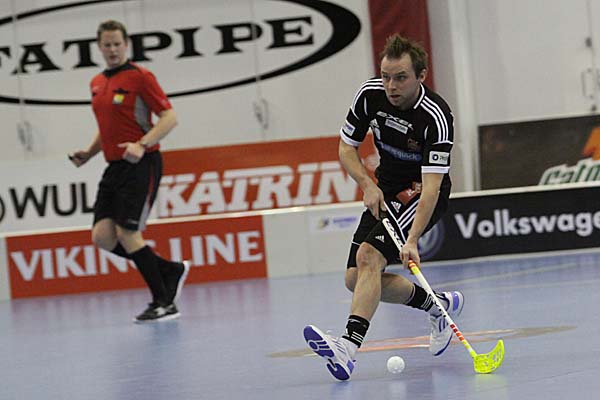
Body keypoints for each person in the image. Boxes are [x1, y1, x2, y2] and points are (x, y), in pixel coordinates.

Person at [303, 34, 463, 380]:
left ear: (421, 76)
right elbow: (346, 148)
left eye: (401, 77)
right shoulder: (370, 95)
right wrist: (367, 184)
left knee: (369, 258)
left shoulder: (436, 116)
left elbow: (432, 186)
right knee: (355, 278)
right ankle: (438, 305)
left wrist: (412, 239)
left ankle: (347, 348)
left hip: (420, 191)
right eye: (386, 76)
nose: (391, 86)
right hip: (385, 188)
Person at [69, 20, 190, 323]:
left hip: (142, 163)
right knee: (102, 236)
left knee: (127, 232)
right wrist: (89, 153)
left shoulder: (141, 77)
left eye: (117, 44)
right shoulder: (97, 82)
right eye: (106, 44)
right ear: (99, 47)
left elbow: (170, 117)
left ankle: (163, 302)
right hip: (114, 167)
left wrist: (142, 143)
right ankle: (169, 269)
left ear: (126, 45)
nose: (112, 49)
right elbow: (107, 127)